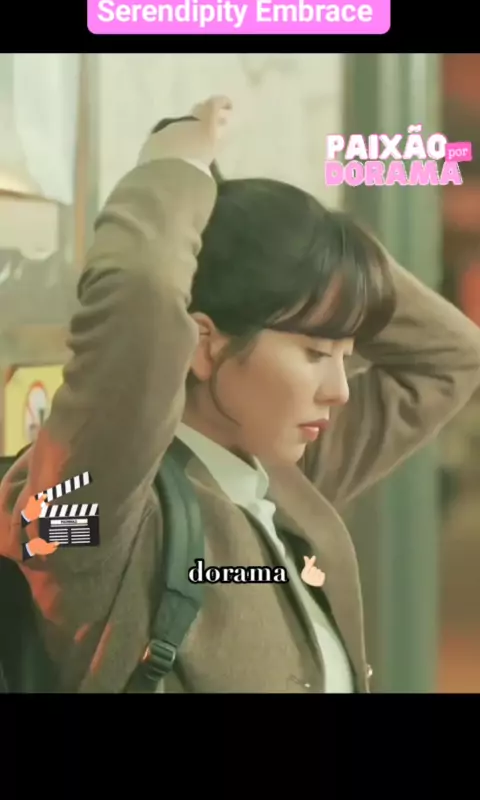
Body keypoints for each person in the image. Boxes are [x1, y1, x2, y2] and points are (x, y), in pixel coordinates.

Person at [1, 95, 480, 694]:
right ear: (204, 345)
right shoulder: (101, 514)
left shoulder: (285, 481)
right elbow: (143, 304)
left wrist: (308, 252)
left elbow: (451, 357)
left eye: (346, 355)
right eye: (315, 353)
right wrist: (173, 172)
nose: (340, 391)